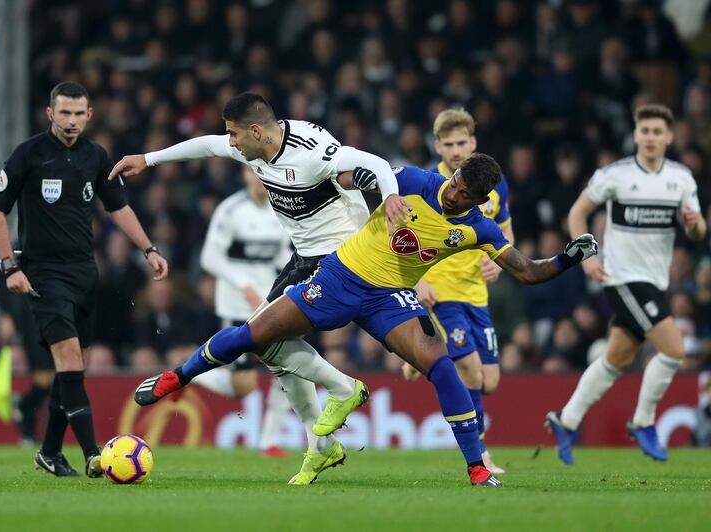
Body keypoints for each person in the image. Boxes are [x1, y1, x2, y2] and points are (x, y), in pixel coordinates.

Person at [133, 154, 599, 486]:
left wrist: (567, 258)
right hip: (339, 277)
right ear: (452, 173)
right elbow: (351, 175)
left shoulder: (479, 228)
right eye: (455, 182)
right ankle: (177, 377)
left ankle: (477, 466)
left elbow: (529, 272)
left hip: (389, 298)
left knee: (439, 362)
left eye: (466, 193)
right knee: (254, 334)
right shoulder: (413, 180)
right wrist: (357, 184)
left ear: (482, 199)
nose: (454, 193)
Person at [111, 91, 410, 485]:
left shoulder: (312, 149)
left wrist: (390, 196)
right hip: (303, 258)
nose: (231, 142)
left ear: (255, 130)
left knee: (261, 337)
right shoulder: (252, 149)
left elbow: (373, 163)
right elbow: (206, 146)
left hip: (338, 260)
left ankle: (343, 388)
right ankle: (320, 446)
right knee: (269, 349)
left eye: (234, 134)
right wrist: (148, 159)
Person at [0, 82, 168, 477]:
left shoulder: (95, 156)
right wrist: (9, 266)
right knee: (69, 358)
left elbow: (117, 207)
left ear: (89, 115)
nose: (71, 121)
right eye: (64, 113)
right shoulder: (29, 155)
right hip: (40, 272)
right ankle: (92, 452)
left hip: (84, 273)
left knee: (72, 369)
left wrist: (148, 248)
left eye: (78, 113)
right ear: (50, 114)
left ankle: (50, 451)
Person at [546, 104, 707, 464]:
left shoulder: (681, 178)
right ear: (635, 135)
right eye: (644, 131)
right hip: (621, 278)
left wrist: (695, 223)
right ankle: (643, 421)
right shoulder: (614, 175)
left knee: (617, 358)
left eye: (657, 132)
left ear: (669, 137)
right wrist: (586, 256)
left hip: (655, 281)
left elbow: (698, 231)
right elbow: (577, 212)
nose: (650, 137)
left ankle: (566, 419)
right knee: (674, 349)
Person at [402, 109, 514, 475]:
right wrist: (418, 280)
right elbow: (403, 239)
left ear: (473, 142)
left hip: (476, 293)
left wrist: (497, 262)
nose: (455, 151)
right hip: (440, 289)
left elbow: (506, 235)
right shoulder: (430, 183)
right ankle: (479, 454)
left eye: (461, 143)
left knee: (491, 381)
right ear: (437, 146)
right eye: (447, 144)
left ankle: (421, 349)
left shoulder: (493, 186)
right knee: (471, 372)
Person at [195, 166, 293, 457]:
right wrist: (244, 285)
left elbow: (281, 254)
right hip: (236, 303)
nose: (259, 179)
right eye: (254, 172)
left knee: (290, 368)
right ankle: (193, 375)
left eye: (264, 173)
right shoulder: (230, 210)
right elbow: (209, 258)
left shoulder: (281, 209)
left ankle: (269, 442)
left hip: (270, 301)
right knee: (244, 386)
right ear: (246, 176)